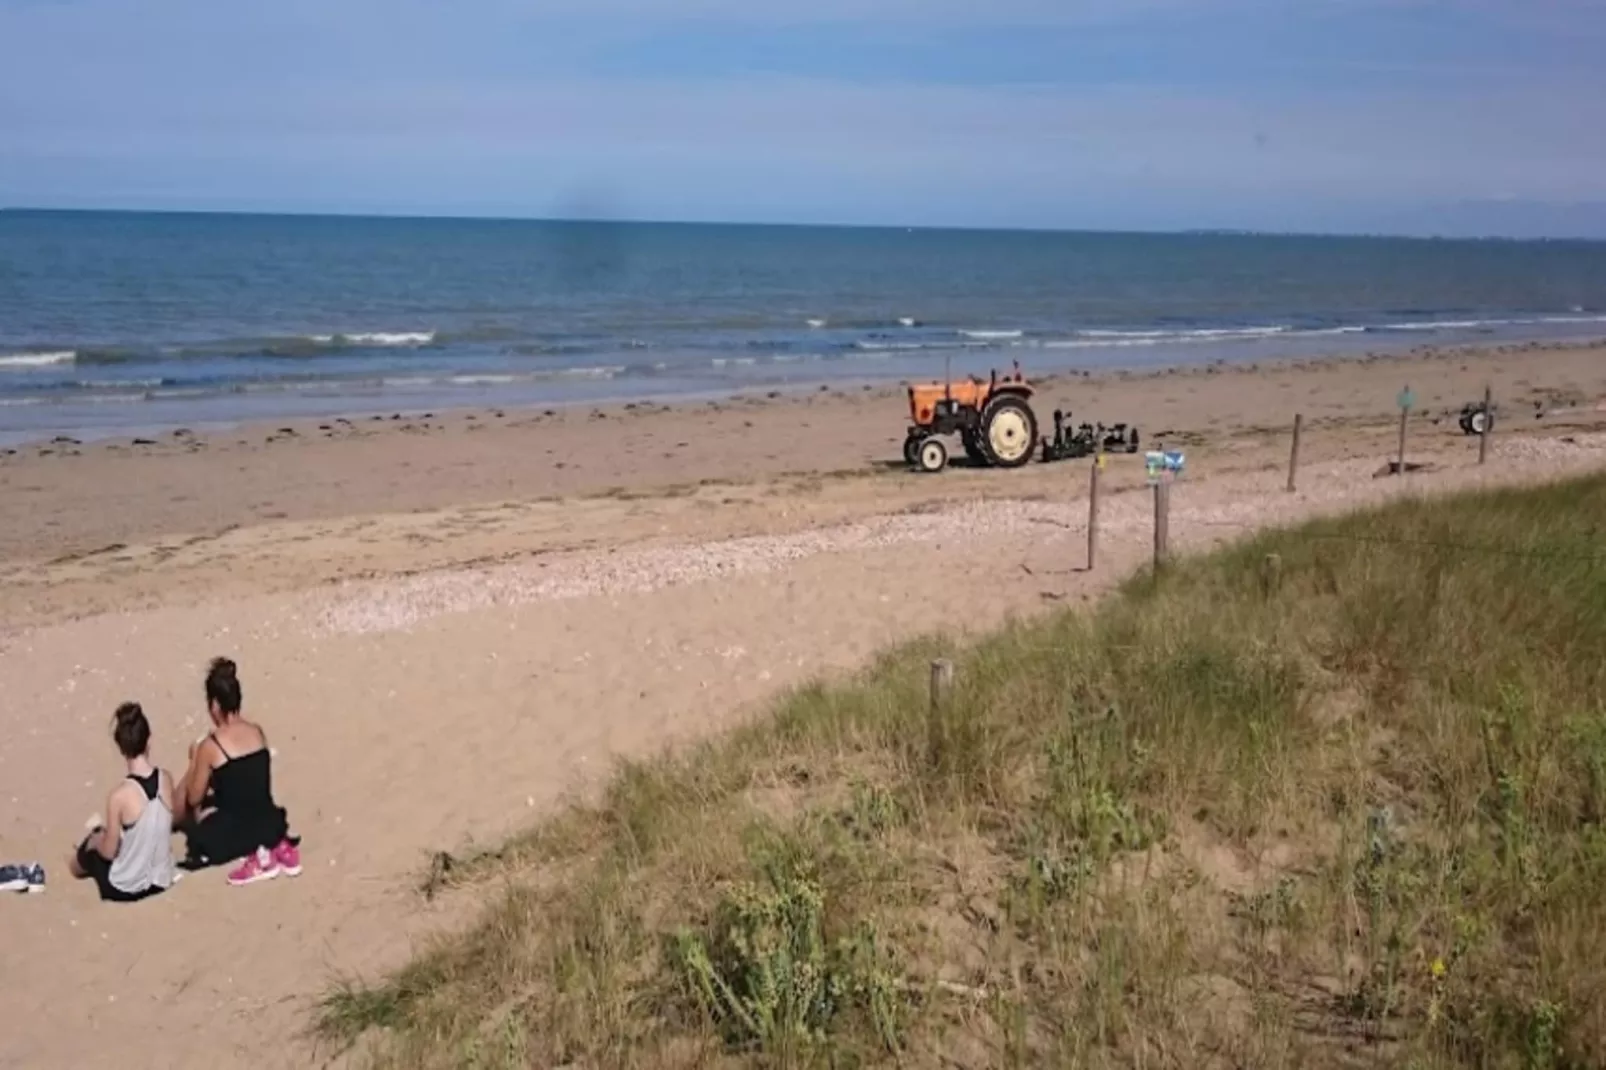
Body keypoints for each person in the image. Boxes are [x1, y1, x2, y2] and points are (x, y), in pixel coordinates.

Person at [176, 657, 301, 887]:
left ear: (214, 705)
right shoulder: (257, 732)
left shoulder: (211, 745)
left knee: (197, 809)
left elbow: (193, 797)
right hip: (266, 824)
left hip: (235, 836)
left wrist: (194, 760)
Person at [68, 703, 175, 903]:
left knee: (92, 843)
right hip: (161, 880)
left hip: (127, 887)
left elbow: (109, 852)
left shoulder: (120, 795)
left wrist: (97, 840)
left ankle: (73, 865)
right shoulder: (166, 780)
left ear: (121, 748)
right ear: (148, 739)